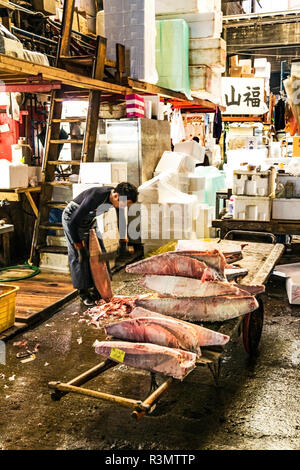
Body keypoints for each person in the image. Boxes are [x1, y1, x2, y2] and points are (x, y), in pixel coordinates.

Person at [62, 182, 138, 306]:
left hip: (89, 220)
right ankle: (84, 293)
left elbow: (121, 219)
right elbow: (72, 222)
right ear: (116, 196)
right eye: (124, 204)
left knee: (99, 253)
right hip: (72, 219)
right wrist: (79, 246)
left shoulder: (118, 199)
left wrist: (123, 241)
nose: (124, 206)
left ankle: (99, 290)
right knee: (79, 257)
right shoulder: (96, 196)